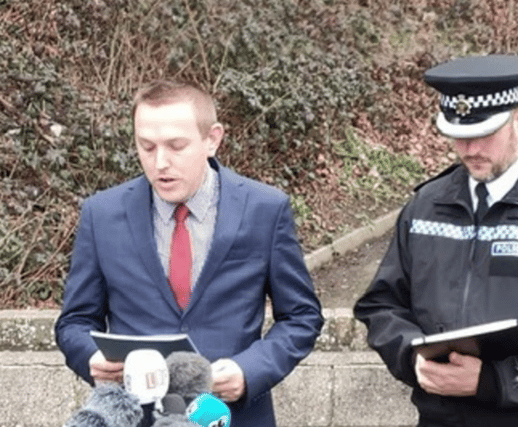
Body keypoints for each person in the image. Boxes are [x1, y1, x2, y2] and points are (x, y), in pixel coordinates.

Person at [353, 54, 518, 427]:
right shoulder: (427, 206)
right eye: (459, 136)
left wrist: (493, 382)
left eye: (484, 134)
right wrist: (411, 358)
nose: (470, 150)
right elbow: (382, 305)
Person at [55, 80, 324, 427]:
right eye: (146, 146)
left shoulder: (265, 209)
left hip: (232, 416)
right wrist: (90, 357)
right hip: (137, 418)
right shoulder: (101, 214)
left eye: (176, 146)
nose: (160, 162)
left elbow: (301, 316)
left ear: (212, 139)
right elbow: (75, 322)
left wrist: (249, 370)